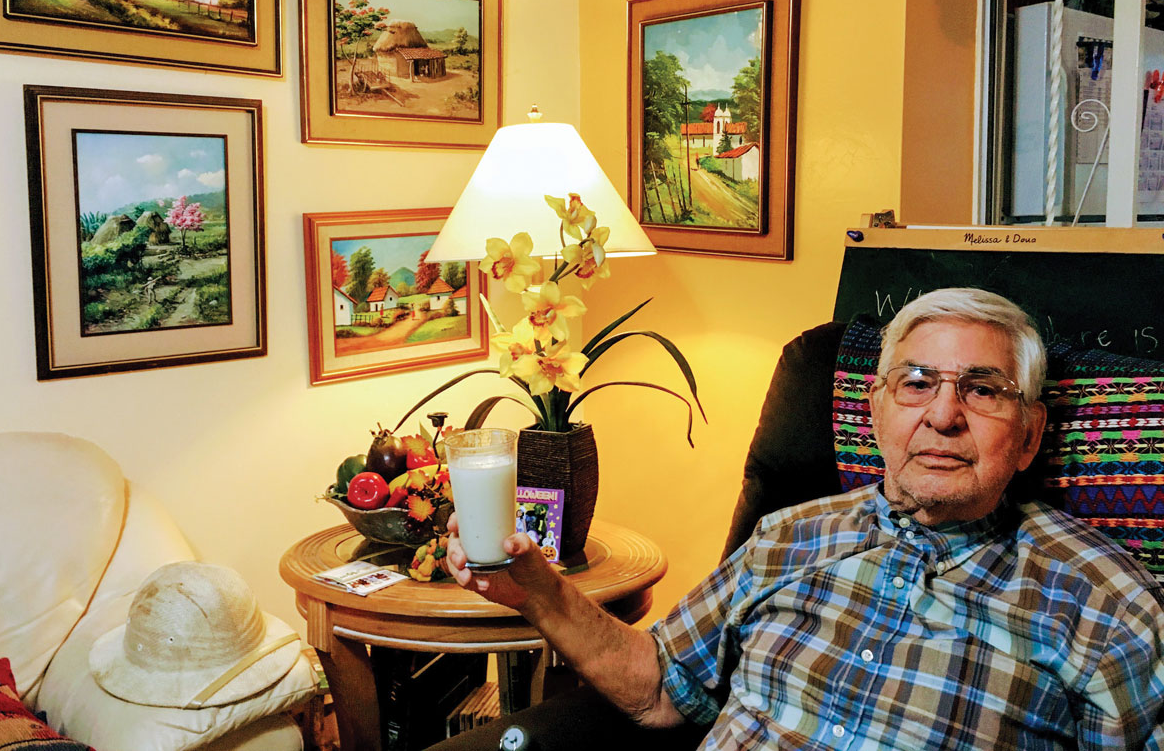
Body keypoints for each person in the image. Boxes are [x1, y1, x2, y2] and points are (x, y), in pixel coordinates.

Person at [435, 288, 1164, 750]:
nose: (943, 415)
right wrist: (539, 592)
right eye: (916, 384)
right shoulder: (788, 535)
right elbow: (659, 688)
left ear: (1031, 434)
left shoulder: (1107, 602)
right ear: (874, 410)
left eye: (983, 390)